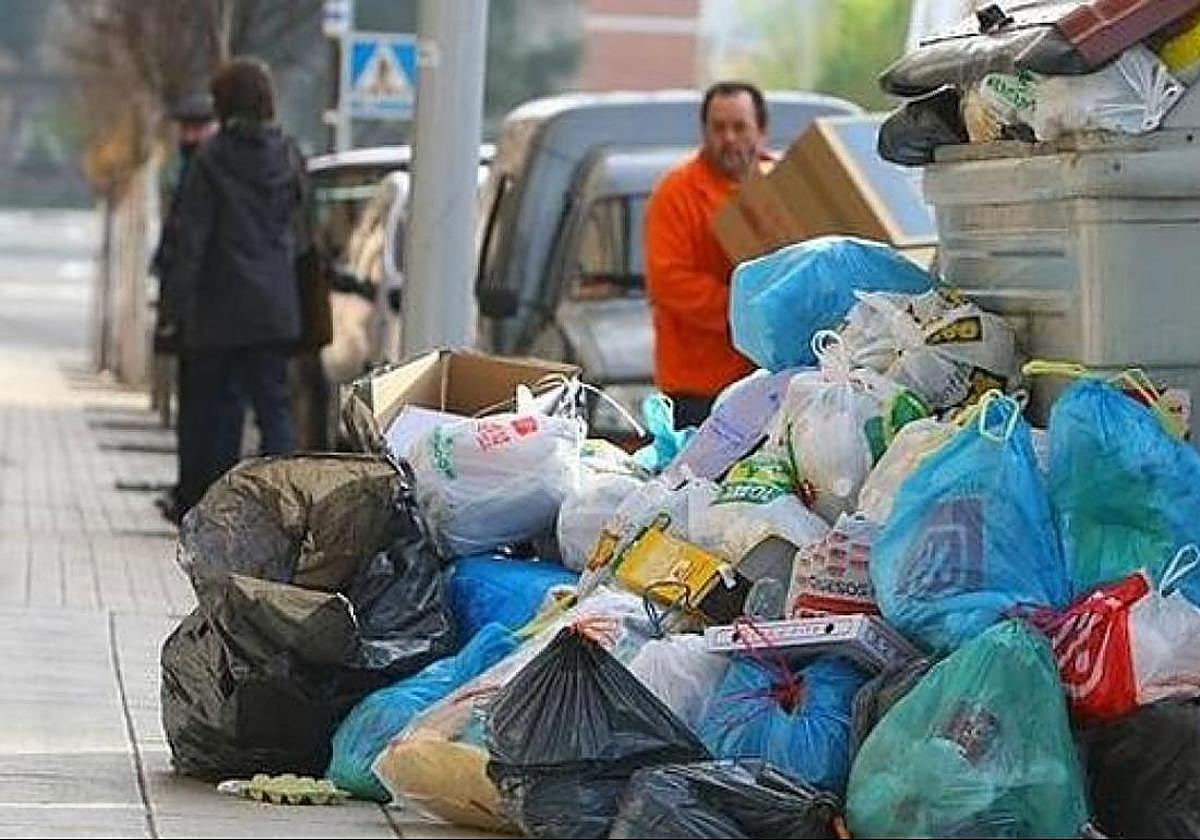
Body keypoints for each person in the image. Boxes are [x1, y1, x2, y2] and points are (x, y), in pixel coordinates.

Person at [164, 56, 308, 515]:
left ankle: (211, 506)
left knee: (212, 411)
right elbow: (303, 230)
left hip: (218, 309)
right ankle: (285, 507)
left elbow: (191, 241)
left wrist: (173, 308)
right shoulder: (289, 153)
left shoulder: (210, 159)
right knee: (275, 410)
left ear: (222, 102)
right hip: (273, 308)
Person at [644, 81, 771, 429]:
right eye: (718, 128)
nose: (729, 138)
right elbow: (668, 281)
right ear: (704, 132)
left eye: (739, 126)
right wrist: (745, 310)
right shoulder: (676, 193)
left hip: (769, 380)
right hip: (698, 389)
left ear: (761, 131)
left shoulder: (782, 187)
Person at [150, 92, 217, 524]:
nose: (188, 135)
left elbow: (190, 246)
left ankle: (195, 495)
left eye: (197, 126)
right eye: (184, 127)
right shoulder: (192, 167)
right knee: (193, 406)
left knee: (204, 408)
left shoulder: (208, 170)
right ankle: (188, 490)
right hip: (199, 307)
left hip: (206, 308)